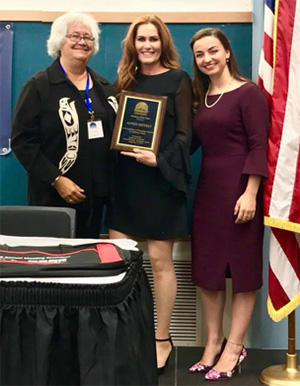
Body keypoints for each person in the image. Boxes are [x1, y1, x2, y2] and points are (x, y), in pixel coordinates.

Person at [106, 15, 192, 375]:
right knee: (119, 264)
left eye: (153, 39)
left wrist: (157, 159)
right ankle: (121, 336)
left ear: (163, 43)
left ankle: (161, 338)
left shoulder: (179, 80)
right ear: (132, 43)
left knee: (159, 262)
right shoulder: (121, 81)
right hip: (125, 182)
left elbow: (186, 136)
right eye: (141, 39)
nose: (147, 45)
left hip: (161, 181)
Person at [189, 28, 269, 380]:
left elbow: (258, 146)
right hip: (208, 192)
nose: (206, 59)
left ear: (226, 52)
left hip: (240, 191)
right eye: (199, 54)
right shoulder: (202, 96)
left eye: (212, 51)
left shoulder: (248, 93)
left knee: (241, 271)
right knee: (208, 273)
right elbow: (188, 144)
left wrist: (251, 192)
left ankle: (235, 347)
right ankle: (213, 343)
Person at [11, 12, 117, 238]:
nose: (82, 42)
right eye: (75, 36)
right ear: (60, 41)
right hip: (52, 199)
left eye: (88, 37)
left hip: (95, 198)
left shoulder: (104, 87)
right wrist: (56, 179)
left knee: (87, 261)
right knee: (53, 265)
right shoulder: (39, 86)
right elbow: (22, 142)